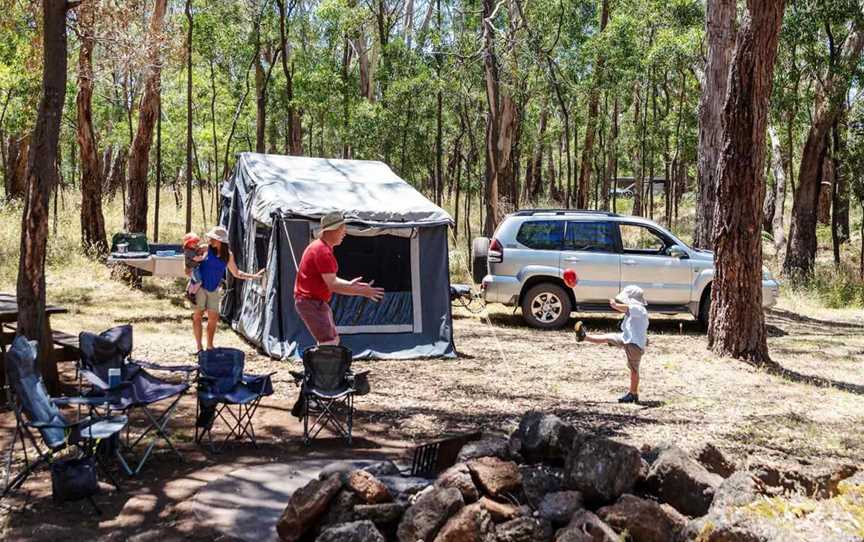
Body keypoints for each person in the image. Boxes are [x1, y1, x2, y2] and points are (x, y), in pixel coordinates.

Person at [293, 211, 384, 345]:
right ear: (332, 230)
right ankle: (323, 365)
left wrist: (350, 285)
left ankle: (325, 365)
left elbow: (331, 280)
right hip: (310, 302)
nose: (345, 233)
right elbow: (333, 285)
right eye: (342, 229)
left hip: (315, 302)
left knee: (332, 339)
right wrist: (362, 292)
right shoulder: (321, 251)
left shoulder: (323, 248)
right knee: (329, 341)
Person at [192, 226, 265, 353]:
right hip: (201, 288)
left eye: (213, 238)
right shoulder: (206, 248)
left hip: (214, 289)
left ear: (220, 241)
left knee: (213, 318)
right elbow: (190, 257)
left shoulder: (228, 255)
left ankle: (209, 346)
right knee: (198, 316)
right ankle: (199, 347)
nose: (210, 240)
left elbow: (236, 273)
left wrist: (253, 276)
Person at [574, 285, 649, 404]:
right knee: (607, 337)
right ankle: (583, 336)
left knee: (634, 369)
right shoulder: (637, 310)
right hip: (627, 338)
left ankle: (633, 394)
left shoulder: (639, 309)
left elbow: (624, 308)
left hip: (634, 345)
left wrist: (614, 304)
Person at [183, 232, 206, 302]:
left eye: (196, 242)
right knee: (199, 282)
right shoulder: (188, 251)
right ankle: (192, 294)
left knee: (193, 281)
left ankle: (187, 292)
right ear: (188, 243)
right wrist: (204, 255)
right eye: (194, 243)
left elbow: (198, 249)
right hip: (192, 269)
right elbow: (197, 259)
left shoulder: (191, 249)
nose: (196, 244)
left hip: (194, 268)